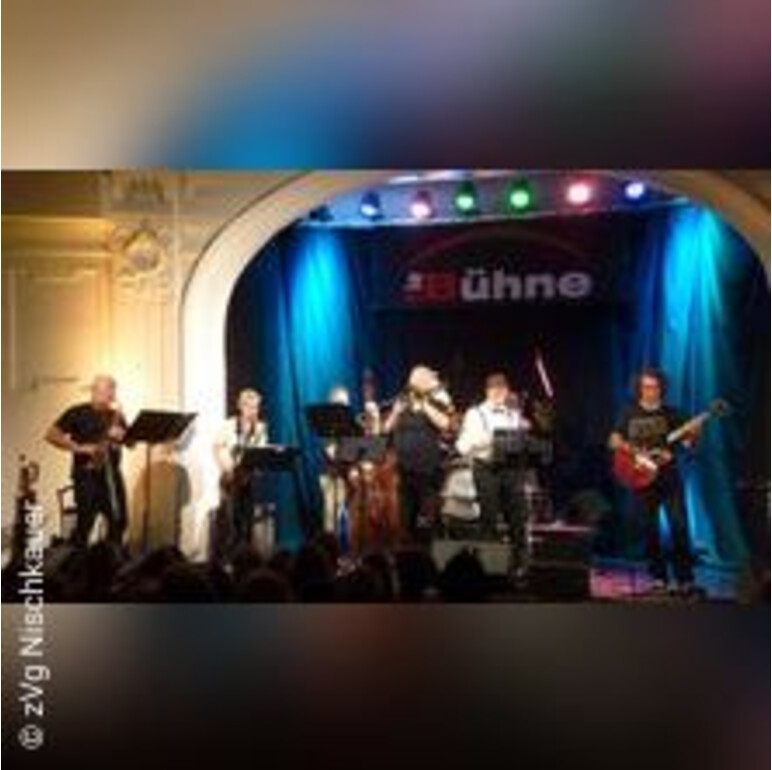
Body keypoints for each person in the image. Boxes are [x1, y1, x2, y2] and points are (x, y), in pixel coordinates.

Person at [608, 368, 700, 595]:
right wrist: (632, 450)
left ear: (661, 389)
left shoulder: (673, 414)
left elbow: (688, 444)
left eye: (655, 387)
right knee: (649, 529)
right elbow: (613, 440)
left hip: (669, 478)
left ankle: (685, 578)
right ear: (639, 389)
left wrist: (694, 433)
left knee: (679, 525)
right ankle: (659, 577)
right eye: (646, 387)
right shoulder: (629, 413)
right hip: (641, 477)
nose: (651, 391)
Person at [45, 374, 128, 547]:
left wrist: (121, 438)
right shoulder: (77, 412)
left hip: (111, 475)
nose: (112, 395)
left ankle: (111, 558)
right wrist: (81, 448)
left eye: (113, 390)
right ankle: (77, 559)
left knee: (119, 521)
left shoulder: (116, 416)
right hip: (87, 475)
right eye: (109, 390)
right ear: (95, 391)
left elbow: (130, 443)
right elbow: (51, 435)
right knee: (86, 523)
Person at [456, 373, 531, 558]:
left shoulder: (513, 414)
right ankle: (491, 561)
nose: (499, 393)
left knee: (517, 515)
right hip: (486, 469)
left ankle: (519, 558)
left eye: (503, 389)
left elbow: (518, 441)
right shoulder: (475, 413)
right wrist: (492, 438)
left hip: (510, 468)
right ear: (487, 391)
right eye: (494, 389)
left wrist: (522, 435)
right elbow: (463, 445)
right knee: (489, 516)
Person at [383, 366, 454, 539]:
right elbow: (386, 429)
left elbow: (445, 424)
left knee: (427, 519)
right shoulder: (402, 401)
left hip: (427, 470)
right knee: (405, 519)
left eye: (419, 380)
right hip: (404, 469)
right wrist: (395, 413)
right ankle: (407, 548)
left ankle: (429, 548)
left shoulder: (436, 400)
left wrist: (425, 405)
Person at [213, 389, 269, 552]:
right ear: (241, 407)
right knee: (231, 522)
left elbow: (260, 452)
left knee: (247, 521)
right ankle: (228, 555)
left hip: (247, 480)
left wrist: (256, 468)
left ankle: (245, 554)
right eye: (249, 407)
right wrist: (228, 467)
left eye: (256, 407)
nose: (253, 411)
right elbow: (217, 447)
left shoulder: (260, 428)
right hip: (230, 479)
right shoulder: (228, 425)